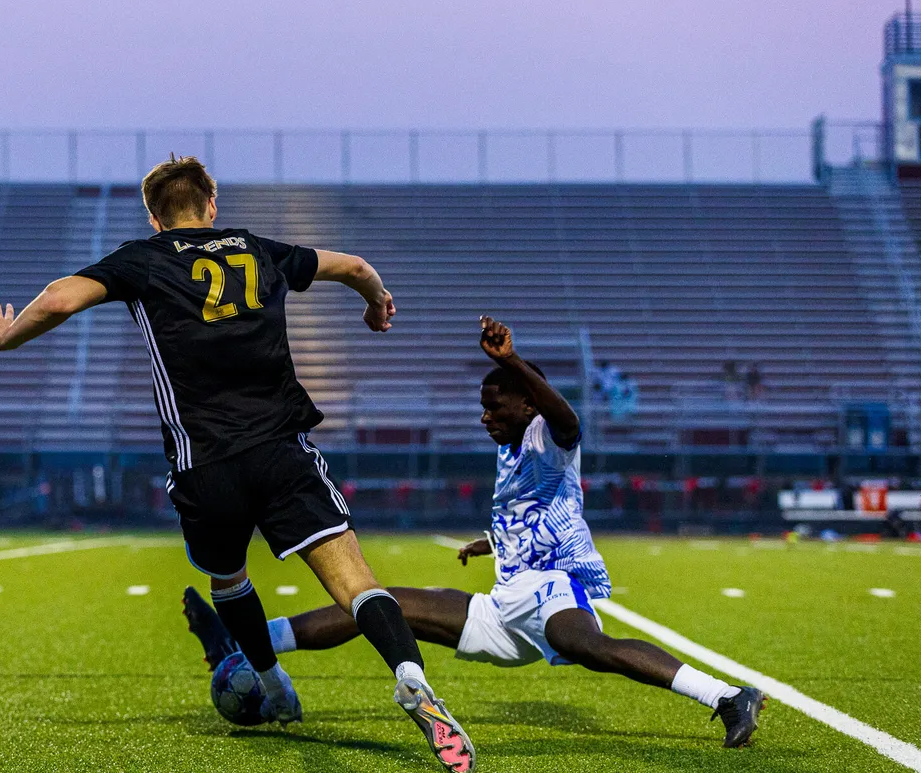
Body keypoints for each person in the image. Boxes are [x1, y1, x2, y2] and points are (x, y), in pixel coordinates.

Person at [0, 155, 475, 772]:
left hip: (203, 464)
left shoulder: (143, 258)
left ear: (155, 217)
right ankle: (409, 676)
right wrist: (376, 301)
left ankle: (271, 683)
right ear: (212, 205)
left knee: (229, 579)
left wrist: (6, 336)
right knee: (356, 584)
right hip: (280, 450)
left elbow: (57, 300)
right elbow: (357, 267)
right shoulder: (258, 250)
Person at [184, 316, 766, 750]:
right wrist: (491, 541)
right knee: (377, 606)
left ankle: (727, 697)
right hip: (506, 604)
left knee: (587, 647)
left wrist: (514, 362)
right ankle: (239, 644)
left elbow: (569, 421)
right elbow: (531, 511)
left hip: (552, 589)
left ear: (524, 403)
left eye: (494, 406)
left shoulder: (546, 434)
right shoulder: (513, 448)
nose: (484, 416)